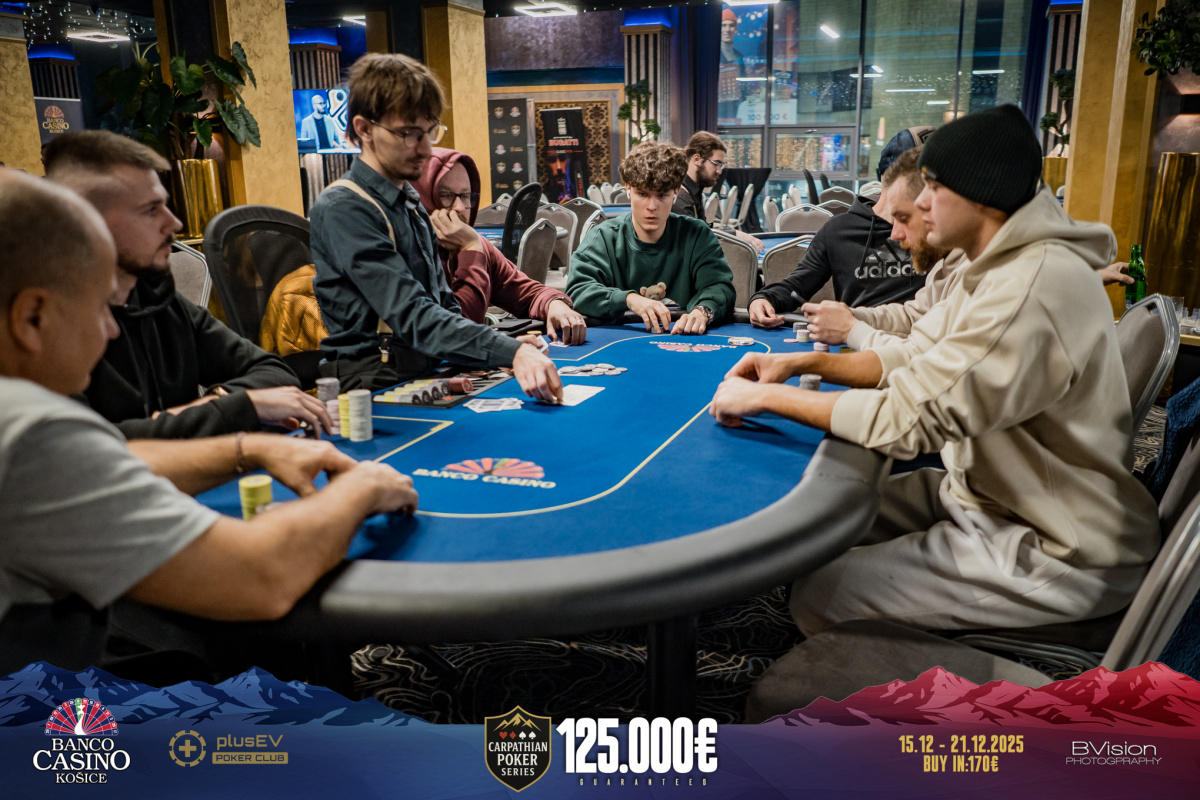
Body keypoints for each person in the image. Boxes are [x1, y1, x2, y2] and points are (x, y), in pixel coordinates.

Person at [710, 105, 1159, 636]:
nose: (920, 204)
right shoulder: (995, 265)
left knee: (819, 592)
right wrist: (795, 362)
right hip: (988, 495)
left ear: (980, 195)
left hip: (1057, 546)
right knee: (817, 523)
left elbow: (910, 418)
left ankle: (941, 678)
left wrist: (766, 398)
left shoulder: (1030, 284)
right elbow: (918, 355)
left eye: (934, 188)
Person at [0, 170, 418, 675]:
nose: (111, 328)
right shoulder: (30, 429)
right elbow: (261, 577)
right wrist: (362, 489)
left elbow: (111, 457)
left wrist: (248, 449)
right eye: (97, 306)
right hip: (59, 710)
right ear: (32, 318)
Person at [44, 131, 331, 439]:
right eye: (150, 210)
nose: (174, 223)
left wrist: (212, 403)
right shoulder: (45, 326)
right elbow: (91, 446)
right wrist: (234, 408)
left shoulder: (159, 298)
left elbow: (275, 373)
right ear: (87, 220)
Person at [309, 53, 562, 401]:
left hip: (426, 370)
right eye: (409, 133)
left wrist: (496, 346)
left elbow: (445, 310)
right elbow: (414, 317)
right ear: (364, 129)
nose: (426, 148)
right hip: (371, 387)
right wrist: (508, 351)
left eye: (429, 131)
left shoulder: (411, 203)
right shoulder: (344, 207)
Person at [804, 150, 1137, 348]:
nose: (894, 234)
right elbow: (916, 318)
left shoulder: (1005, 277)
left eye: (931, 197)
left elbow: (924, 373)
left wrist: (852, 332)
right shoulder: (961, 260)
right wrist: (853, 318)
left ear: (969, 200)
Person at [749, 130, 928, 329]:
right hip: (857, 338)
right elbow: (797, 285)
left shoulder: (939, 234)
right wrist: (764, 298)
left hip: (922, 338)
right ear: (894, 177)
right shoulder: (838, 230)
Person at [412, 146, 587, 344]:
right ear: (420, 197)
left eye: (465, 196)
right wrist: (471, 251)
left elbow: (527, 293)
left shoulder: (480, 246)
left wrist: (554, 303)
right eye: (445, 195)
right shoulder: (409, 254)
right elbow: (457, 333)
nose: (459, 207)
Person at [566, 142, 736, 334]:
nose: (652, 206)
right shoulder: (603, 237)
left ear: (676, 192)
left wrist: (701, 312)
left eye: (662, 195)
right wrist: (630, 299)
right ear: (628, 189)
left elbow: (720, 287)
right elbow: (578, 290)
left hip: (683, 338)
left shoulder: (697, 234)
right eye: (642, 194)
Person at [673, 131, 764, 254]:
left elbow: (703, 230)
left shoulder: (693, 190)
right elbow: (694, 239)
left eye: (721, 166)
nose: (719, 171)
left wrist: (735, 234)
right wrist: (734, 235)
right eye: (716, 164)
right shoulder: (681, 195)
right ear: (697, 159)